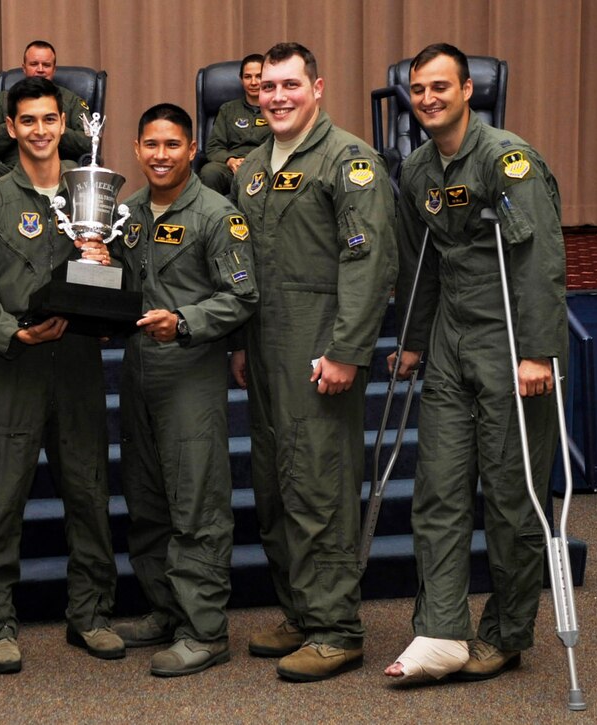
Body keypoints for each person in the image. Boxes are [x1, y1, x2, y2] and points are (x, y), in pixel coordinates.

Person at [383, 43, 567, 684]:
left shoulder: (507, 160)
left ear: (467, 91)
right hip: (449, 339)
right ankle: (441, 630)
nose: (428, 98)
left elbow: (539, 259)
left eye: (440, 86)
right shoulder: (416, 170)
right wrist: (411, 340)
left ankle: (507, 632)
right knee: (437, 491)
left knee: (513, 499)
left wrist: (538, 351)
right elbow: (419, 264)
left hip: (510, 337)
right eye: (418, 89)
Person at [229, 42, 397, 682]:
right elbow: (241, 266)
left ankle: (336, 630)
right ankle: (301, 612)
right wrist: (238, 343)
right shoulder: (251, 169)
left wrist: (348, 350)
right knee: (275, 486)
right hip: (264, 348)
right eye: (268, 86)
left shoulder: (348, 161)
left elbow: (368, 260)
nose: (277, 97)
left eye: (290, 85)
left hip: (320, 348)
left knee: (318, 486)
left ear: (317, 88)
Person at [0, 76, 123, 674]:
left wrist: (108, 271)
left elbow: (123, 275)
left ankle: (91, 615)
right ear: (11, 128)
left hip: (77, 365)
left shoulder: (92, 193)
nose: (41, 130)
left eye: (50, 119)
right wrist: (11, 332)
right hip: (16, 366)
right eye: (28, 120)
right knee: (0, 500)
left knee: (89, 493)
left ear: (63, 123)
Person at [110, 104, 257, 676]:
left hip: (190, 372)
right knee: (147, 501)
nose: (161, 155)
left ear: (192, 149)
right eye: (151, 144)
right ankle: (167, 610)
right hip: (137, 372)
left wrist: (185, 322)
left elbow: (242, 296)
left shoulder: (218, 215)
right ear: (136, 148)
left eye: (172, 144)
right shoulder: (125, 214)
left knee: (197, 504)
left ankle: (205, 629)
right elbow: (117, 285)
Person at [0, 40, 93, 199]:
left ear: (54, 69)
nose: (40, 69)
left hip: (55, 172)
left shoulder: (71, 101)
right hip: (9, 171)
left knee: (71, 168)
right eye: (34, 64)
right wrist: (17, 125)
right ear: (24, 68)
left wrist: (53, 127)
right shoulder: (4, 100)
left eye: (46, 65)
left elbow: (89, 143)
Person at [198, 54, 270, 194]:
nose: (253, 82)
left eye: (259, 76)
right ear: (241, 80)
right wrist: (230, 161)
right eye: (248, 77)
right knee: (209, 172)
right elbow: (213, 147)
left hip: (264, 166)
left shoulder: (276, 109)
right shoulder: (228, 109)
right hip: (232, 166)